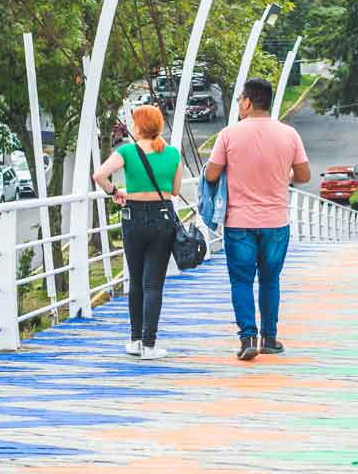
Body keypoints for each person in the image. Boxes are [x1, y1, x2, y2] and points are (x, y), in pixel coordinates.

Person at [204, 78, 310, 360]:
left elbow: (211, 174)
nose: (239, 105)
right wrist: (282, 174)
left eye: (240, 100)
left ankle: (247, 337)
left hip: (239, 222)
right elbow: (303, 176)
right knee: (270, 280)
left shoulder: (229, 134)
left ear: (248, 102)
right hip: (276, 222)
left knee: (241, 280)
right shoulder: (289, 135)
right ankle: (270, 338)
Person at [92, 105, 181, 360]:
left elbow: (99, 175)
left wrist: (115, 192)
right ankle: (150, 345)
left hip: (133, 218)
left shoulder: (127, 151)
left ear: (138, 126)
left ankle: (135, 340)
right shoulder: (172, 153)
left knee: (136, 280)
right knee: (153, 284)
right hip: (162, 219)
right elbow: (175, 191)